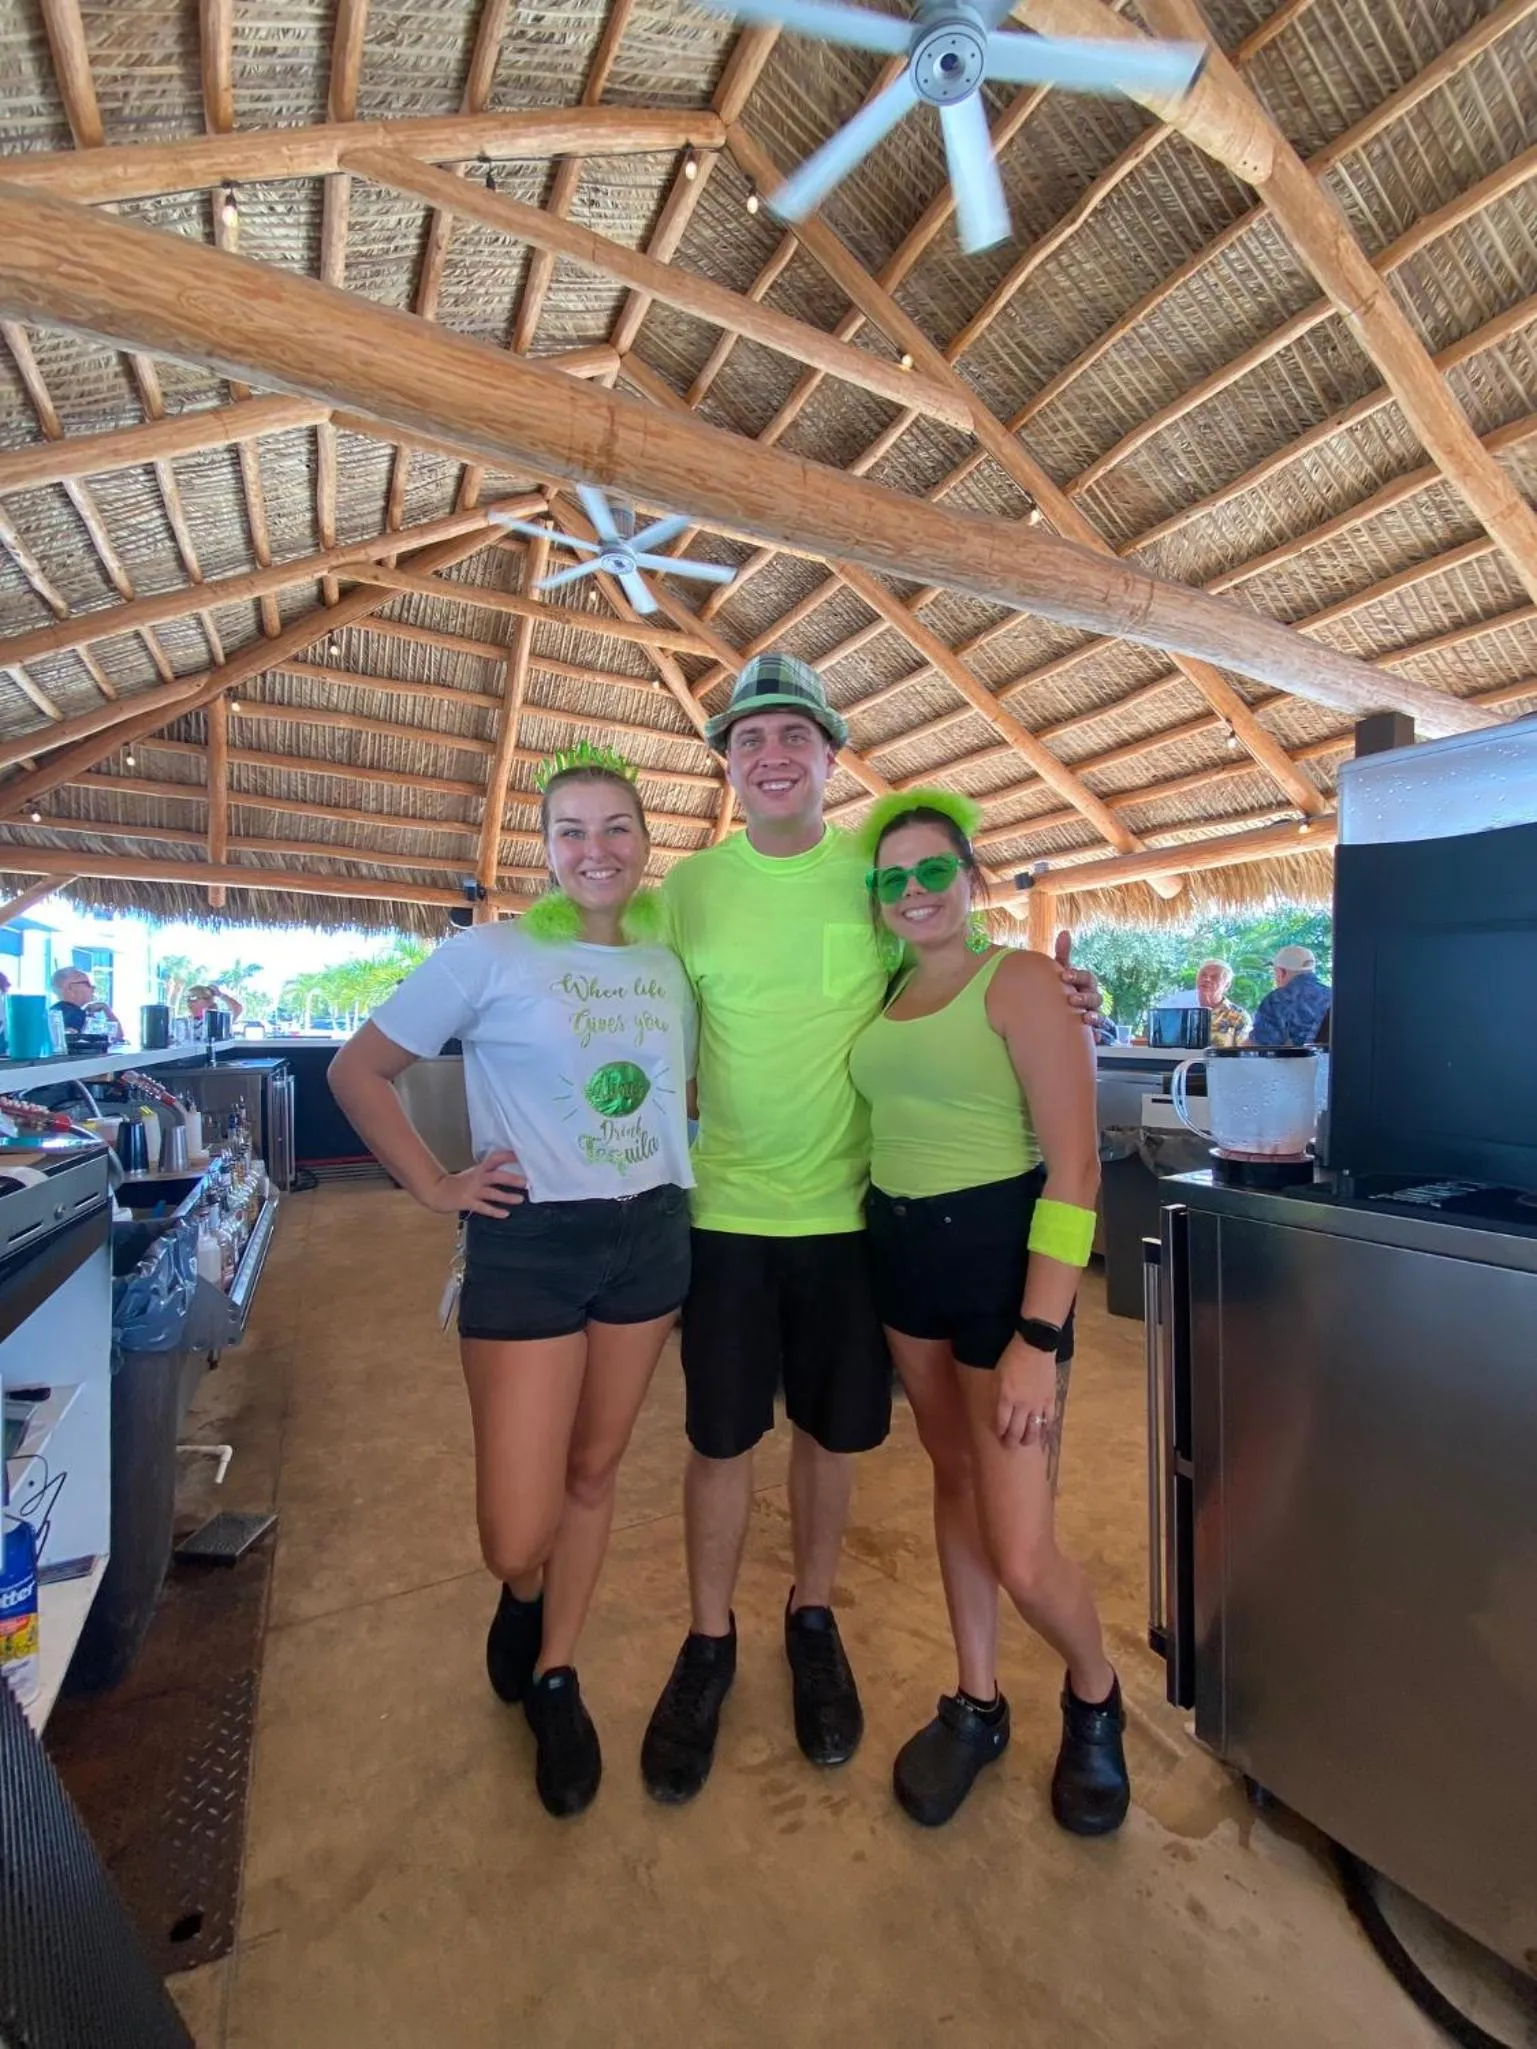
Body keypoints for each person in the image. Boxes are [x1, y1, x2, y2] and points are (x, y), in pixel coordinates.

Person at [638, 652, 1105, 1806]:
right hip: (732, 1213)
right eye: (750, 739)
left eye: (794, 735)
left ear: (831, 756)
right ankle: (709, 1643)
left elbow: (961, 974)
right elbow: (606, 995)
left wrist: (1060, 996)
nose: (773, 754)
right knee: (721, 1441)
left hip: (854, 1225)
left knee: (836, 1439)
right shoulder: (687, 892)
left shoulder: (874, 874)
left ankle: (812, 1618)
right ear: (728, 765)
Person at [327, 744, 696, 1819]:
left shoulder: (668, 963)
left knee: (596, 1467)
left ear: (643, 843)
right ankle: (522, 1592)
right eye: (572, 831)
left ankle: (557, 1673)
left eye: (615, 827)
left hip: (653, 1234)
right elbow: (360, 1069)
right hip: (529, 1243)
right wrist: (433, 1184)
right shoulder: (487, 956)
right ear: (543, 852)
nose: (596, 848)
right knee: (512, 1528)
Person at [850, 789, 1128, 1832]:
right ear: (876, 900)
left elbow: (1077, 1169)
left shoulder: (1018, 981)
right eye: (894, 878)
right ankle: (976, 1701)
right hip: (903, 1268)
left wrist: (1039, 1336)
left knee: (1021, 1548)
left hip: (1001, 1277)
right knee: (955, 1482)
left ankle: (1094, 1692)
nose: (915, 891)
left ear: (970, 879)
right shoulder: (879, 994)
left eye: (934, 871)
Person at [1250, 944, 1331, 1048]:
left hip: (1293, 1063)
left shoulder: (1276, 1000)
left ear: (1281, 972)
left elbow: (1256, 1047)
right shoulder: (1334, 995)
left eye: (1274, 972)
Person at [50, 965, 121, 1039]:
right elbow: (116, 1036)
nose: (93, 988)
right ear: (70, 988)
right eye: (87, 984)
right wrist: (106, 1009)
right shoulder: (73, 1015)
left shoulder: (59, 1011)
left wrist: (105, 1008)